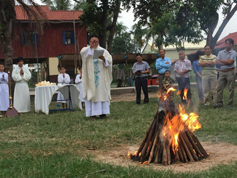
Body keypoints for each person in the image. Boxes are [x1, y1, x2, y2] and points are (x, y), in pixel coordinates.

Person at [80, 35, 113, 119]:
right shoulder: (86, 50)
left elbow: (109, 61)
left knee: (102, 93)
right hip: (91, 77)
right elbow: (83, 55)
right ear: (89, 42)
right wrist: (90, 49)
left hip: (101, 77)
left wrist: (104, 59)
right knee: (92, 93)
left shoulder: (104, 51)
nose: (95, 43)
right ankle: (92, 114)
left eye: (96, 42)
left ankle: (103, 113)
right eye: (93, 41)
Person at [214, 38, 237, 108]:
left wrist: (221, 61)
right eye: (226, 43)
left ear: (232, 45)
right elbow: (216, 61)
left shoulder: (234, 53)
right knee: (219, 88)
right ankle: (219, 102)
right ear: (225, 44)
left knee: (231, 88)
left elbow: (230, 62)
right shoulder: (221, 52)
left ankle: (230, 104)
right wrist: (226, 61)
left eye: (229, 44)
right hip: (222, 72)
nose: (228, 45)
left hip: (230, 72)